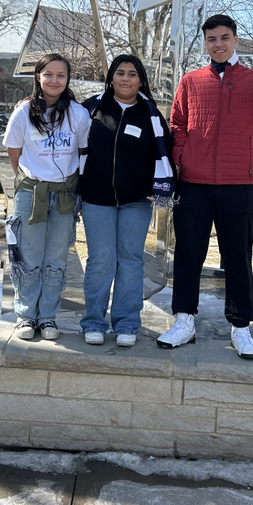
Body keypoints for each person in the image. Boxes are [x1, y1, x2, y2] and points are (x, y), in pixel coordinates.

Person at [156, 14, 253, 359]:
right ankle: (184, 321)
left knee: (238, 257)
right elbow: (177, 123)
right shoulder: (191, 81)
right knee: (188, 255)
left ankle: (240, 327)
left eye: (223, 37)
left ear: (235, 39)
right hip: (194, 184)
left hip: (238, 184)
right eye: (211, 39)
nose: (217, 44)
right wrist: (183, 157)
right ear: (205, 43)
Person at [79, 54, 174, 347]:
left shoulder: (151, 116)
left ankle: (127, 323)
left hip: (136, 201)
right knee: (100, 261)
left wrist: (156, 185)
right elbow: (64, 128)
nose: (125, 79)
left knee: (131, 261)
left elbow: (164, 152)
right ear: (111, 77)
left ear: (140, 80)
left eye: (132, 74)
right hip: (97, 198)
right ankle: (94, 321)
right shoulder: (91, 108)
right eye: (120, 73)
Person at [3, 53, 90, 341]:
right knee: (29, 258)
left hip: (64, 196)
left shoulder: (78, 114)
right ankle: (26, 316)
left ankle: (48, 317)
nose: (54, 80)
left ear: (67, 80)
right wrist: (33, 179)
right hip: (32, 194)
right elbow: (14, 153)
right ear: (38, 77)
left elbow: (81, 152)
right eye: (48, 74)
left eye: (61, 75)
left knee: (56, 259)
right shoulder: (23, 112)